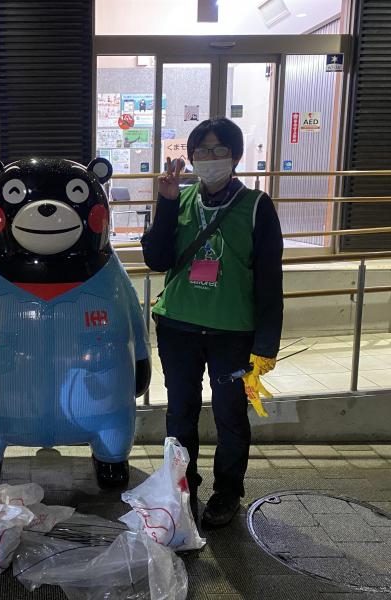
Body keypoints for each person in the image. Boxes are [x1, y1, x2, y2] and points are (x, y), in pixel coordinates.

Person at [141, 117, 283, 529]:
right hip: (178, 328)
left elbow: (271, 281)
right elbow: (157, 259)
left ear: (235, 157)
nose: (209, 159)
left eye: (218, 151)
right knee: (179, 414)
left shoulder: (257, 207)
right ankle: (182, 489)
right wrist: (165, 203)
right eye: (201, 151)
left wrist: (266, 346)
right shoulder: (181, 201)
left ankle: (227, 493)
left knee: (230, 414)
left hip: (232, 335)